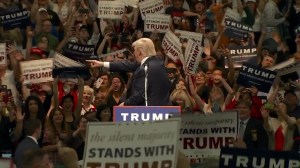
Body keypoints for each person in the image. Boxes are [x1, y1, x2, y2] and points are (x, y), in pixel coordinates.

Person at [87, 38, 171, 106]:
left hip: (149, 114)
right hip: (164, 111)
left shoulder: (145, 68)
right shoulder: (158, 63)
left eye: (134, 50)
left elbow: (140, 95)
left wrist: (124, 105)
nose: (133, 53)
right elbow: (126, 65)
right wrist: (101, 63)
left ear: (140, 52)